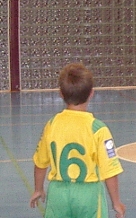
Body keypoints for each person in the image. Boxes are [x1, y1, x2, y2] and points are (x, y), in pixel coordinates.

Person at [29, 63, 126, 218]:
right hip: (88, 194)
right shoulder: (98, 129)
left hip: (58, 194)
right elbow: (110, 171)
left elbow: (40, 163)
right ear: (91, 94)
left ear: (61, 93)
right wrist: (116, 202)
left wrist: (38, 188)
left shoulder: (52, 124)